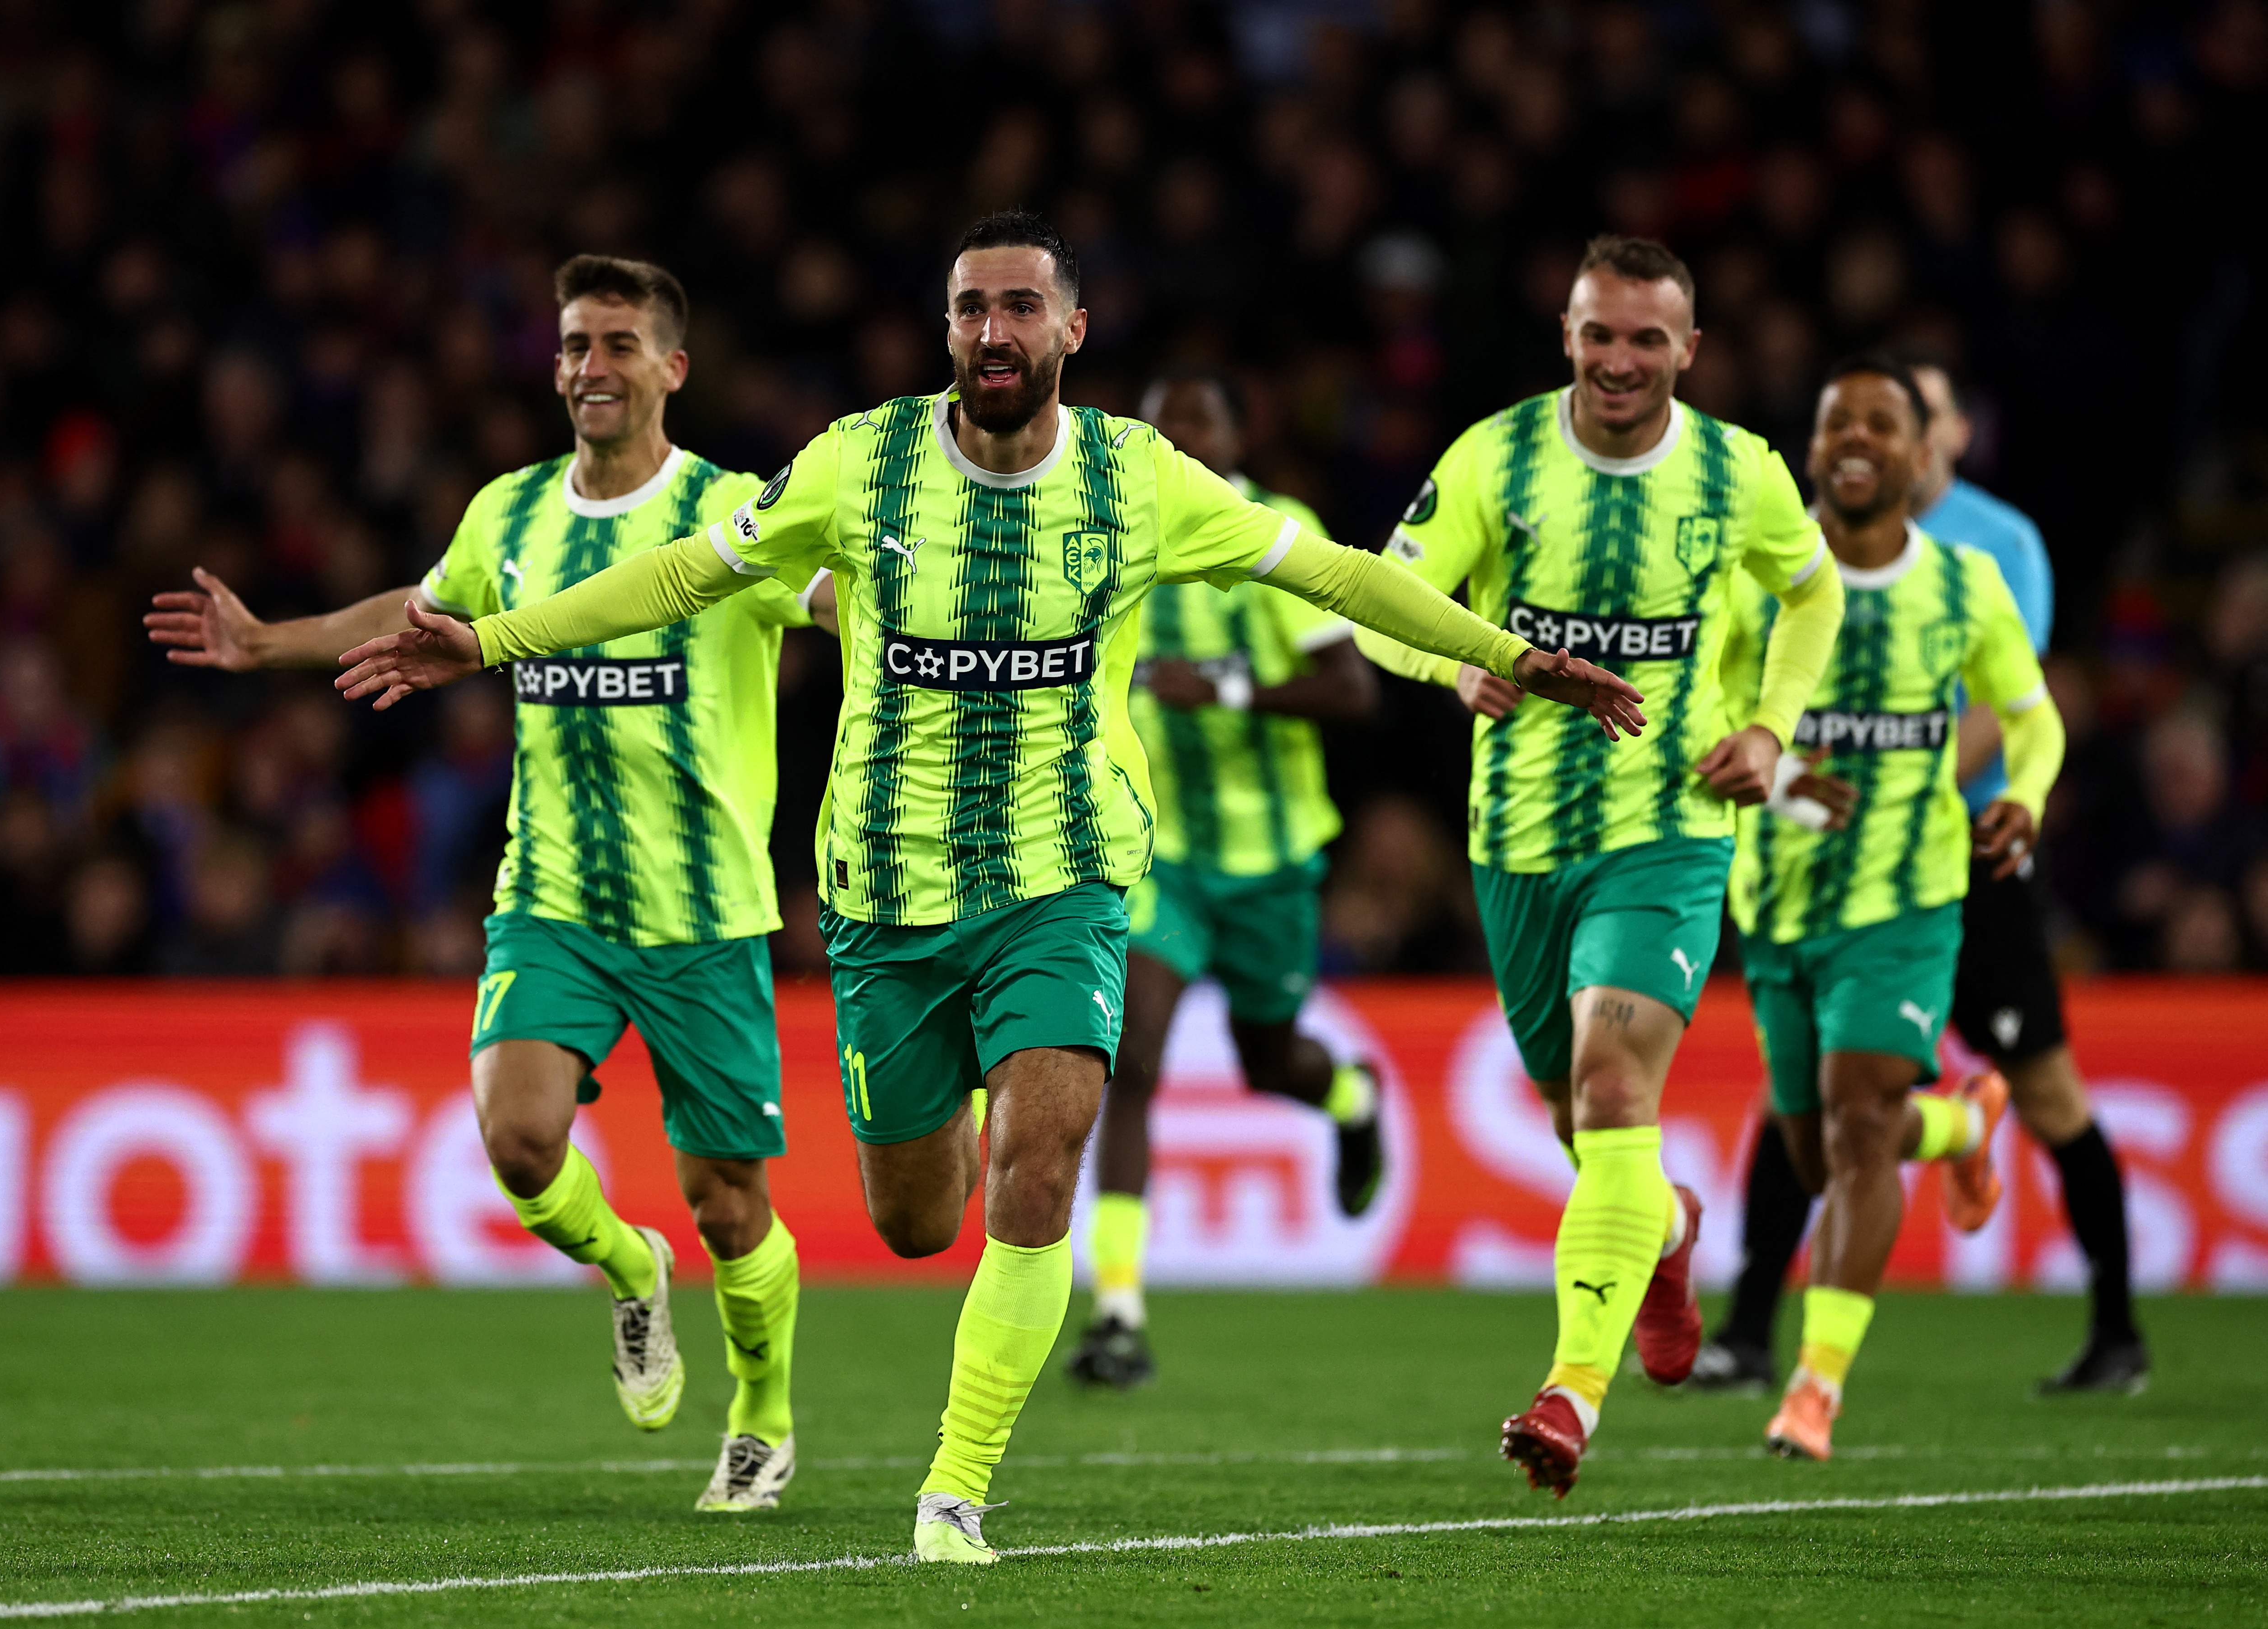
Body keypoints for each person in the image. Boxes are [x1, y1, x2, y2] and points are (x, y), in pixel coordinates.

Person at [327, 211, 1645, 1561]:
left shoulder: (1142, 480)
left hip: (1063, 882)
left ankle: (952, 1494)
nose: (993, 333)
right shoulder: (858, 463)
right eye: (970, 310)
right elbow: (676, 574)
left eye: (1020, 308)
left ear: (1071, 330)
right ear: (945, 327)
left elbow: (1338, 575)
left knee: (1039, 1164)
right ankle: (953, 1098)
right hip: (887, 901)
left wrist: (1516, 656)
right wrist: (489, 639)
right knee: (915, 1220)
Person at [145, 256, 809, 1512]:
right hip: (553, 896)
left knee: (732, 1209)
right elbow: (422, 607)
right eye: (572, 344)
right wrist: (270, 641)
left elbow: (840, 600)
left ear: (672, 367)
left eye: (617, 344)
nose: (589, 367)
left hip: (705, 915)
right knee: (516, 1140)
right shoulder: (506, 514)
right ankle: (628, 1271)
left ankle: (763, 1418)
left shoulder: (738, 513)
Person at [1361, 234, 1847, 1498]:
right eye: (1598, 333)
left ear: (1689, 350)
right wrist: (1445, 664)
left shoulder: (1739, 472)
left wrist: (1769, 730)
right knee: (1586, 1125)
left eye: (1646, 338)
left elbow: (1813, 597)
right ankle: (1670, 1230)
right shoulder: (1494, 456)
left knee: (1612, 1085)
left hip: (1670, 831)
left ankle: (1569, 1395)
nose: (1618, 359)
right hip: (1517, 841)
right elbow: (1389, 588)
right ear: (1566, 335)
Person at [1694, 359, 2147, 1397]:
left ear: (1943, 434)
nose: (1885, 436)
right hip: (1806, 861)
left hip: (1959, 859)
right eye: (1849, 419)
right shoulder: (1781, 544)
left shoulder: (1997, 546)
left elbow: (2008, 695)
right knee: (1803, 1097)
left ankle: (2117, 1326)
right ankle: (1755, 1330)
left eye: (1916, 415)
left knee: (2047, 1087)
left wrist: (1913, 799)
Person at [1068, 373, 1384, 1391]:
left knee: (1266, 1059)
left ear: (1242, 439)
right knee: (1132, 1061)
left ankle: (1346, 1095)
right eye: (1168, 430)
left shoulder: (1279, 532)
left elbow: (1354, 690)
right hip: (1163, 864)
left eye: (1203, 424)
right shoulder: (1119, 543)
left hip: (1273, 863)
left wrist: (1231, 687)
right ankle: (1118, 1311)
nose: (1185, 443)